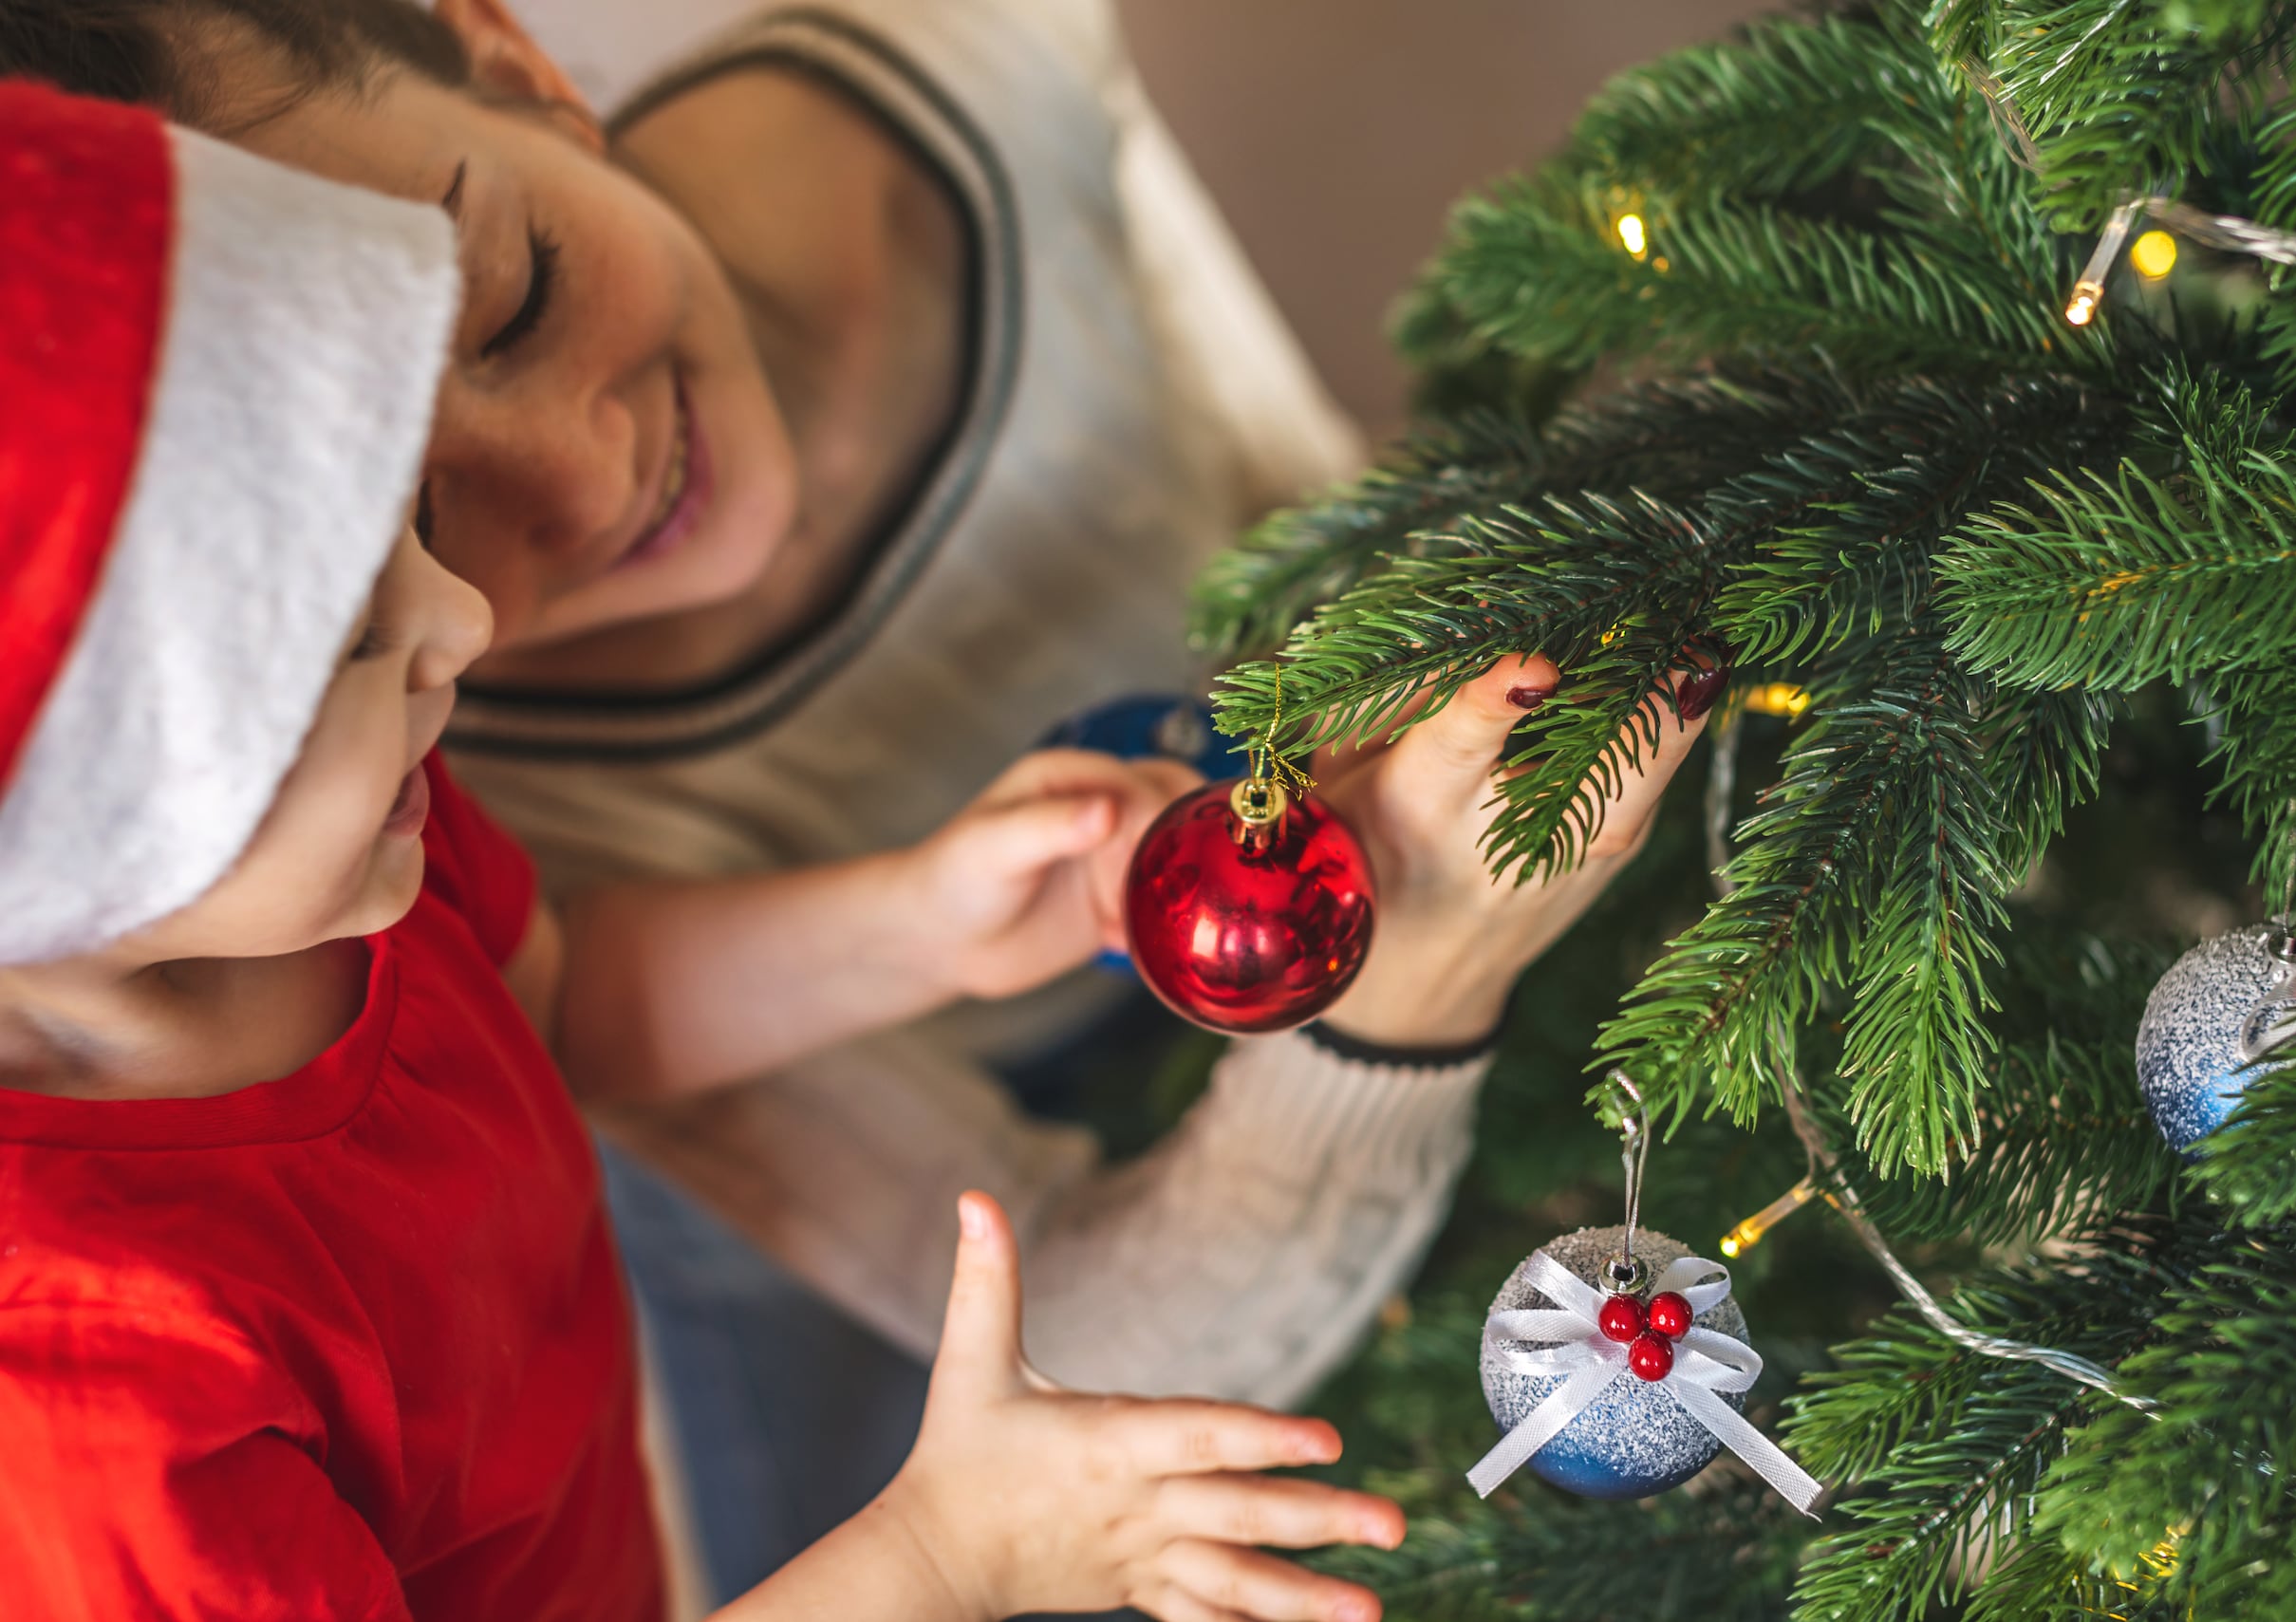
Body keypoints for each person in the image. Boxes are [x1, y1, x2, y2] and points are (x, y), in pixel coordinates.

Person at [0, 0, 1720, 1598]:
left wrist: (909, 922)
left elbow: (563, 995)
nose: (451, 623)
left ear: (504, 51)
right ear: (115, 834)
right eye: (369, 611)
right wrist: (942, 1555)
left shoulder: (341, 826)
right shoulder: (106, 1412)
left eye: (510, 302)